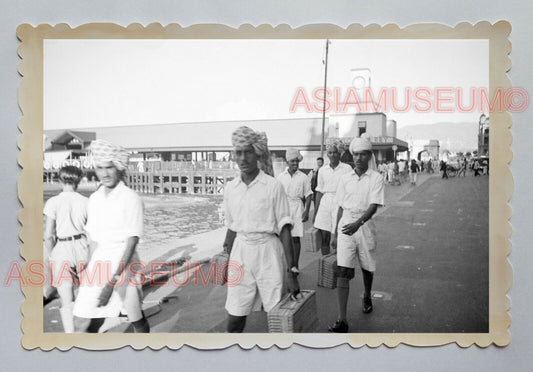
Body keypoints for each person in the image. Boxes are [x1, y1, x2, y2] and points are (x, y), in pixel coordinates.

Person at [222, 126, 300, 333]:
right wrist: (225, 259)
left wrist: (292, 271)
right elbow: (231, 227)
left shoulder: (273, 186)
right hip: (240, 252)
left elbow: (284, 229)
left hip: (269, 254)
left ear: (257, 153)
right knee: (235, 316)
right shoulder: (231, 189)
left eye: (248, 152)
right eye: (239, 153)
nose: (243, 158)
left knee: (278, 316)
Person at [73, 139, 150, 333]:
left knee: (135, 319)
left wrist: (112, 282)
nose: (105, 173)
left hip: (124, 267)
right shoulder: (94, 199)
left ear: (118, 168)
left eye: (109, 167)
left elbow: (132, 242)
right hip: (98, 264)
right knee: (81, 319)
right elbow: (92, 240)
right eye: (100, 168)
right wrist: (86, 270)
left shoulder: (130, 198)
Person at [328, 135, 384, 333]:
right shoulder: (345, 179)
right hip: (346, 228)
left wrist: (358, 223)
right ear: (352, 156)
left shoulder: (376, 178)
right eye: (356, 155)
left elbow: (374, 206)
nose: (359, 158)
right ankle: (342, 320)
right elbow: (340, 207)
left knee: (367, 267)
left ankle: (367, 294)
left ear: (369, 156)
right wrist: (335, 232)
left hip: (365, 226)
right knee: (343, 270)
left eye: (363, 155)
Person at [43, 166, 90, 333]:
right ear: (78, 180)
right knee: (86, 295)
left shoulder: (53, 202)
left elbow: (48, 236)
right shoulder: (86, 201)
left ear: (60, 180)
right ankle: (86, 332)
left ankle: (71, 337)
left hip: (62, 248)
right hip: (83, 246)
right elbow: (92, 231)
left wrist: (49, 258)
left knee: (66, 298)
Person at [313, 142, 352, 255]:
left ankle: (338, 264)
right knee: (324, 235)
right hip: (326, 202)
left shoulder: (347, 168)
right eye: (330, 152)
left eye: (335, 152)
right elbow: (319, 191)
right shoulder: (322, 170)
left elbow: (350, 189)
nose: (333, 155)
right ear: (327, 154)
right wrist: (315, 213)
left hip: (340, 202)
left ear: (339, 154)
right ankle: (326, 262)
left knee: (339, 235)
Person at [277, 149, 313, 268]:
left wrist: (307, 211)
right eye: (292, 161)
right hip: (284, 209)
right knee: (284, 238)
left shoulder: (303, 177)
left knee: (296, 238)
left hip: (298, 208)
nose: (295, 164)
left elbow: (308, 194)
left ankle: (295, 266)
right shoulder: (281, 177)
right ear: (288, 162)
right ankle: (287, 264)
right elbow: (277, 195)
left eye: (297, 161)